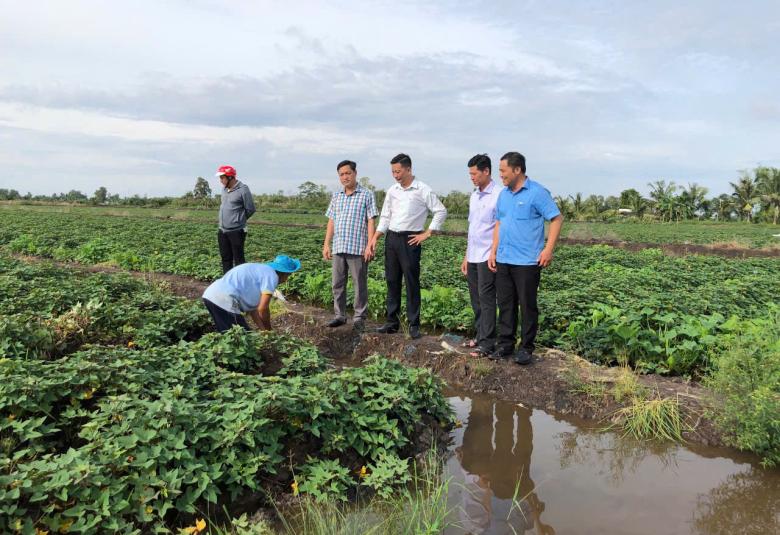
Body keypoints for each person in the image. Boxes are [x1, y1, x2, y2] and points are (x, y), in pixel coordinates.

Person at [488, 152, 563, 365]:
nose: (500, 175)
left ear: (517, 169)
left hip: (527, 261)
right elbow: (499, 224)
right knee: (505, 303)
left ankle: (526, 348)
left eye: (503, 171)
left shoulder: (537, 193)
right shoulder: (503, 195)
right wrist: (494, 251)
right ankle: (505, 344)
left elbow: (556, 219)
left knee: (527, 305)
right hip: (504, 258)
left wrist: (548, 249)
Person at [367, 153, 447, 339]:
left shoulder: (422, 189)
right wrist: (376, 237)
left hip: (410, 240)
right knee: (392, 280)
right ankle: (391, 322)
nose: (396, 175)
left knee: (411, 282)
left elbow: (440, 211)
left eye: (398, 171)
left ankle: (413, 324)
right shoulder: (392, 190)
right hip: (392, 239)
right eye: (393, 172)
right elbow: (386, 216)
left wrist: (427, 233)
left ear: (409, 169)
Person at [322, 160, 378, 330]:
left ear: (355, 173)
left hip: (358, 247)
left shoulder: (366, 194)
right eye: (342, 174)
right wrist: (326, 244)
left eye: (348, 173)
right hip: (339, 246)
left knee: (359, 283)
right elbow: (331, 221)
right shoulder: (336, 195)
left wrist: (370, 244)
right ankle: (340, 315)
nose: (345, 177)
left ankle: (359, 317)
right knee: (337, 283)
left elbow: (371, 220)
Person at [460, 154, 500, 357]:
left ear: (486, 171)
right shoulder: (474, 196)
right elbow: (472, 228)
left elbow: (499, 228)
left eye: (474, 173)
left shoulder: (499, 195)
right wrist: (466, 256)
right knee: (476, 299)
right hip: (474, 255)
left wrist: (494, 252)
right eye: (470, 174)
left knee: (486, 299)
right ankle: (480, 334)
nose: (472, 177)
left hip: (487, 256)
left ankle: (488, 342)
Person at [202, 254, 301, 332]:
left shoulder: (260, 272)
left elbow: (254, 311)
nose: (285, 280)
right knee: (241, 340)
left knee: (230, 336)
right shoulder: (272, 275)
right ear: (283, 273)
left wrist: (264, 331)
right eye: (288, 276)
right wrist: (269, 329)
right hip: (224, 299)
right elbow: (263, 309)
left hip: (211, 295)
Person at [216, 165, 256, 274]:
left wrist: (238, 220)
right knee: (225, 258)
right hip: (222, 230)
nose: (220, 181)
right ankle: (227, 282)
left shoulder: (243, 189)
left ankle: (241, 284)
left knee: (238, 260)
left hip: (236, 231)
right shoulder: (224, 189)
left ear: (230, 177)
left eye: (222, 178)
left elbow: (250, 209)